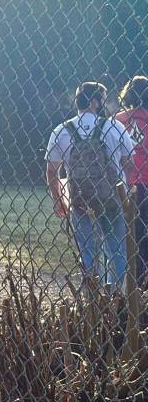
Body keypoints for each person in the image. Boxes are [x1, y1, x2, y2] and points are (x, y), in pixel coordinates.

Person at [46, 81, 135, 289]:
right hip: (113, 198)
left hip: (80, 200)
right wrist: (128, 190)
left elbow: (52, 170)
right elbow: (129, 162)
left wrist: (59, 199)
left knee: (88, 252)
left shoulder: (62, 130)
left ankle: (92, 302)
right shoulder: (113, 126)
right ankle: (116, 300)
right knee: (117, 250)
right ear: (95, 102)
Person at [116, 76, 148, 287]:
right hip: (146, 184)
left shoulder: (117, 120)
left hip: (123, 186)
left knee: (125, 239)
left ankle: (127, 291)